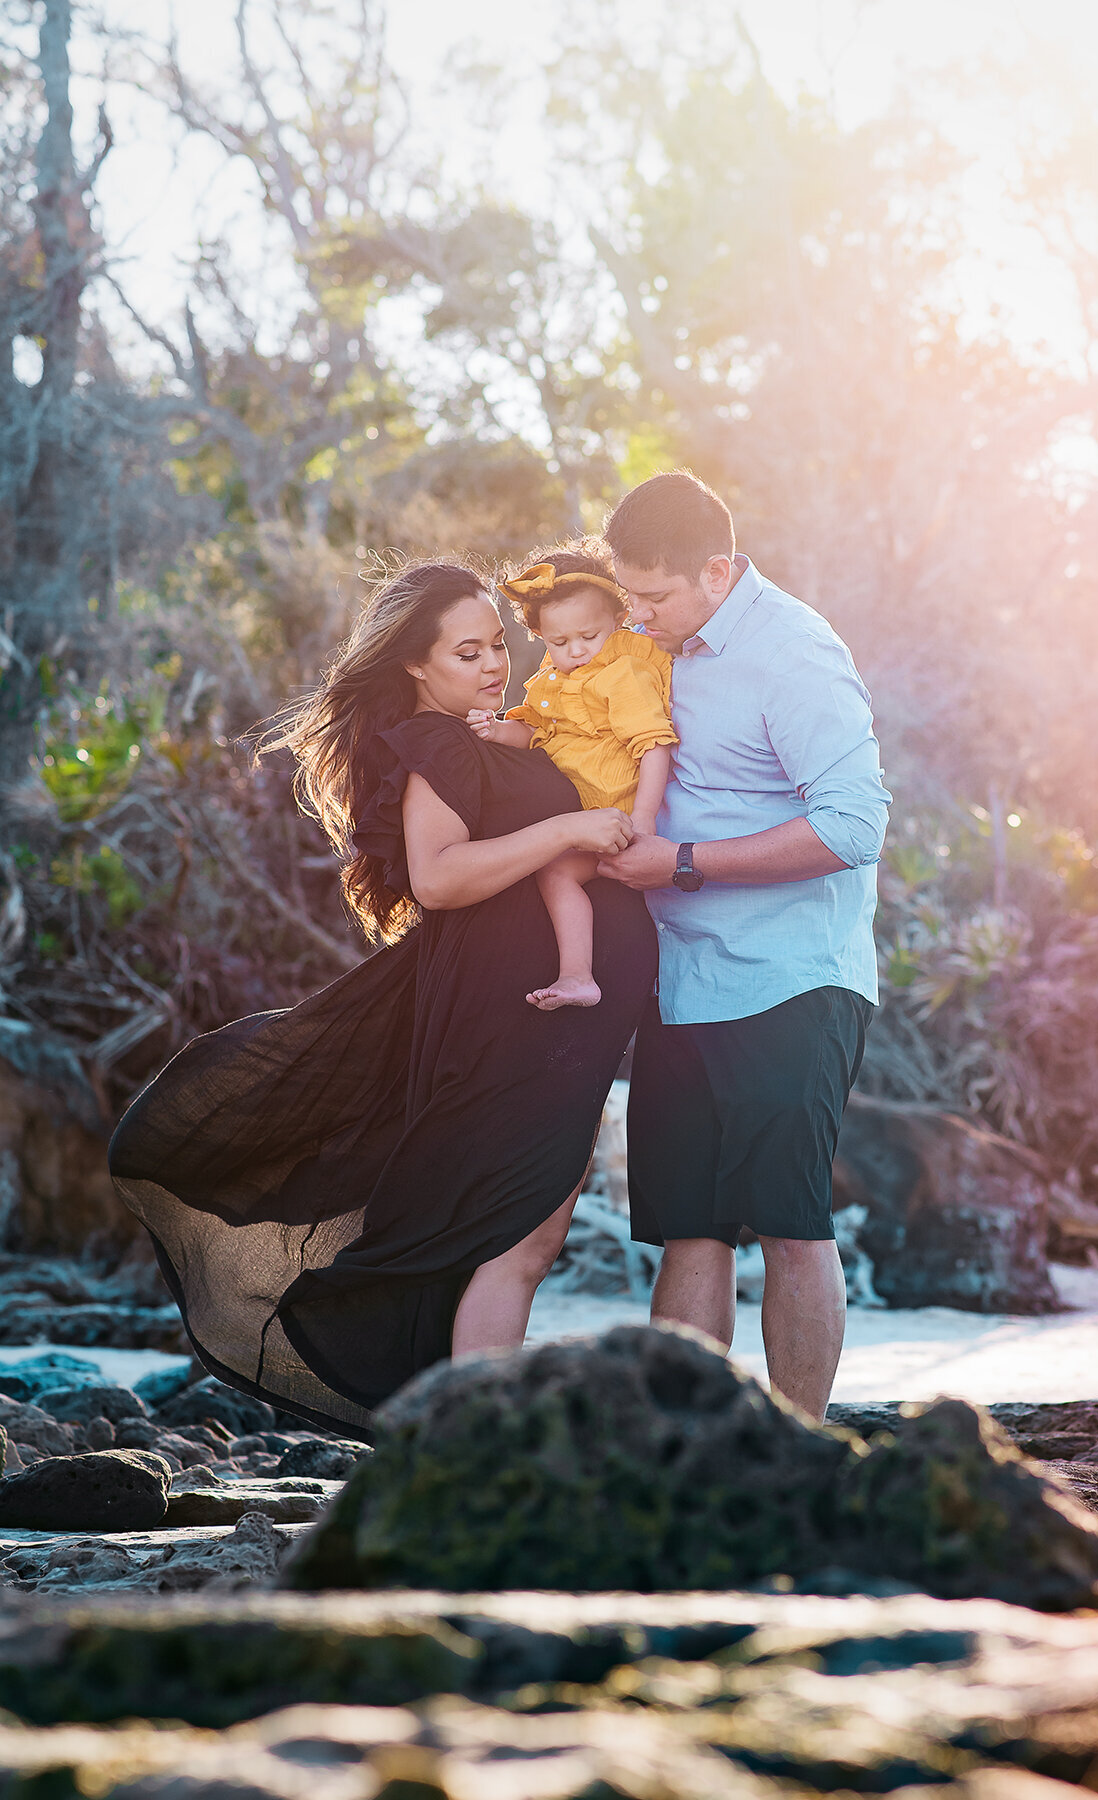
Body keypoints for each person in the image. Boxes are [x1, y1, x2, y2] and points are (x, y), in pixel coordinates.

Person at [108, 560, 657, 1434]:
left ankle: (463, 1438)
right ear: (414, 664)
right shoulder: (435, 744)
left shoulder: (498, 732)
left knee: (517, 1235)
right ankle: (472, 1445)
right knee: (516, 1232)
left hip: (559, 1024)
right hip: (513, 1016)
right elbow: (439, 879)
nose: (492, 665)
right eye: (466, 651)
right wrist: (566, 827)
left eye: (496, 647)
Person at [598, 471, 891, 1421]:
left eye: (653, 595)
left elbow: (853, 827)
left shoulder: (794, 654)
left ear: (717, 570)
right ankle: (686, 1459)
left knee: (790, 1227)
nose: (634, 615)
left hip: (791, 981)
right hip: (681, 983)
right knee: (691, 1230)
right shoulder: (651, 645)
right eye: (625, 593)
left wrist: (681, 861)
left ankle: (794, 1455)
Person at [470, 544, 677, 1012]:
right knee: (548, 871)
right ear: (540, 635)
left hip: (615, 816)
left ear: (619, 619)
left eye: (589, 636)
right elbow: (537, 732)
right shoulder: (553, 677)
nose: (576, 651)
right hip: (578, 815)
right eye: (559, 643)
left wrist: (642, 822)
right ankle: (574, 976)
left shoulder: (623, 672)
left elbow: (655, 745)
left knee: (555, 872)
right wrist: (499, 730)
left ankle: (578, 975)